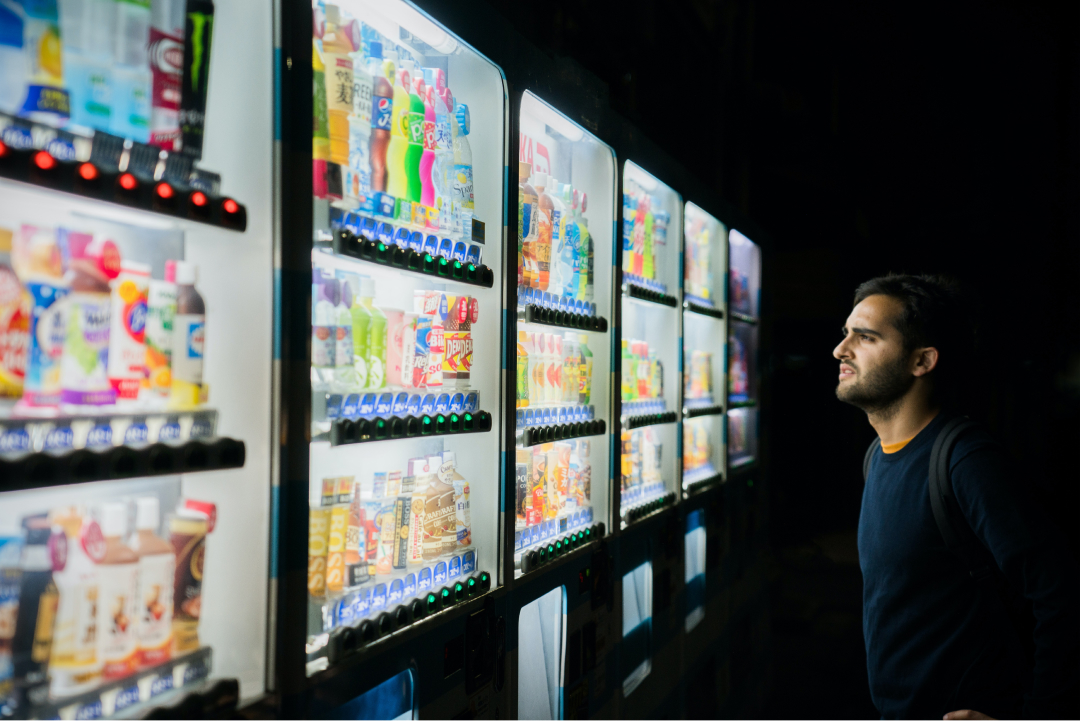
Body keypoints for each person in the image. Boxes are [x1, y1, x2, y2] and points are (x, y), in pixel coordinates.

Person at [833, 273, 1078, 719]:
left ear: (922, 361)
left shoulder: (965, 461)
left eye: (865, 337)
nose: (841, 350)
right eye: (846, 333)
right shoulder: (877, 455)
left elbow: (1061, 594)